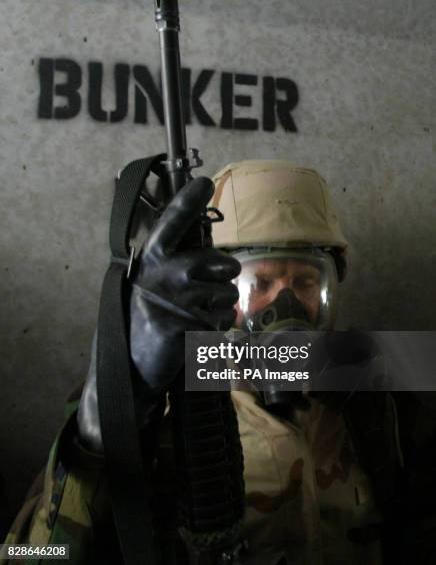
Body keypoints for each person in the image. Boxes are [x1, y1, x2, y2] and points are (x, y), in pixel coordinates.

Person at [1, 160, 434, 564]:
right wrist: (104, 422)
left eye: (305, 281)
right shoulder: (156, 398)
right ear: (215, 284)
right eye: (259, 282)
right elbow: (25, 557)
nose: (284, 304)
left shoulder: (378, 399)